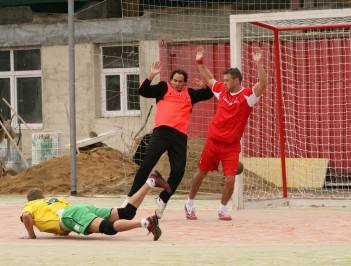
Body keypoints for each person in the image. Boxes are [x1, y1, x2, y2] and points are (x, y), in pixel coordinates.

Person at [185, 46, 267, 221]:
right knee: (201, 173)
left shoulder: (247, 96)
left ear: (237, 80)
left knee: (230, 179)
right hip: (213, 141)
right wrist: (199, 61)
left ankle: (222, 209)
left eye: (228, 80)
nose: (225, 82)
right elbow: (208, 77)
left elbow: (263, 84)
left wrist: (258, 63)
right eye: (224, 80)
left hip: (231, 145)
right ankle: (189, 203)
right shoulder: (221, 90)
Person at [123, 61, 213, 219]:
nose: (177, 84)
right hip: (161, 133)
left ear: (185, 83)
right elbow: (143, 91)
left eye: (180, 81)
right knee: (147, 165)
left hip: (179, 136)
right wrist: (151, 75)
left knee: (178, 171)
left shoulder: (190, 94)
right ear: (171, 80)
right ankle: (129, 199)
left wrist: (205, 83)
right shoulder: (163, 88)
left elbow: (209, 93)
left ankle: (163, 199)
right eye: (175, 81)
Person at [20, 171, 170, 240]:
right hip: (79, 209)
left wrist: (31, 236)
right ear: (43, 197)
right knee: (126, 212)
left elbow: (26, 216)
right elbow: (65, 228)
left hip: (70, 215)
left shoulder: (31, 205)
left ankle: (145, 223)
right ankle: (151, 181)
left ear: (29, 200)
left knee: (107, 228)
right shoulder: (52, 200)